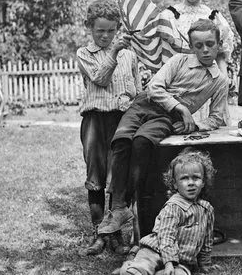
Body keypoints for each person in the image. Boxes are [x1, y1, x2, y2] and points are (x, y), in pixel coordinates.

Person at [97, 19, 229, 239]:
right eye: (198, 45)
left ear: (219, 43)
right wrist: (181, 107)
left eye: (210, 44)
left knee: (142, 142)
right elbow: (154, 87)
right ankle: (119, 207)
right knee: (121, 140)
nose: (205, 50)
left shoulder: (219, 81)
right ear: (191, 45)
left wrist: (193, 124)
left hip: (167, 117)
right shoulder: (179, 61)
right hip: (144, 104)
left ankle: (124, 203)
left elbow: (216, 118)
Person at [76, 0, 142, 256]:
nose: (105, 35)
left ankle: (113, 235)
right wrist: (113, 52)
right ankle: (98, 235)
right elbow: (100, 79)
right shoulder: (85, 53)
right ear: (90, 28)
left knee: (117, 178)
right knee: (96, 177)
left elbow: (136, 89)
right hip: (95, 121)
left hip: (121, 121)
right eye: (100, 30)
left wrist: (133, 95)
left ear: (118, 29)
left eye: (111, 30)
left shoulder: (130, 55)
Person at [115, 148, 217, 275]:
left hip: (181, 260)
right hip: (155, 251)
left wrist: (205, 265)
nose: (191, 183)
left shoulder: (207, 209)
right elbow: (166, 237)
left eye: (196, 178)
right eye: (184, 178)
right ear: (175, 184)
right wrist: (169, 263)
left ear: (204, 182)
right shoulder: (173, 207)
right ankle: (131, 266)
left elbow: (207, 241)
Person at [162, 0, 235, 123]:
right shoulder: (169, 16)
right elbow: (165, 59)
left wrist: (223, 83)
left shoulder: (214, 16)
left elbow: (221, 55)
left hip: (209, 85)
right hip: (180, 87)